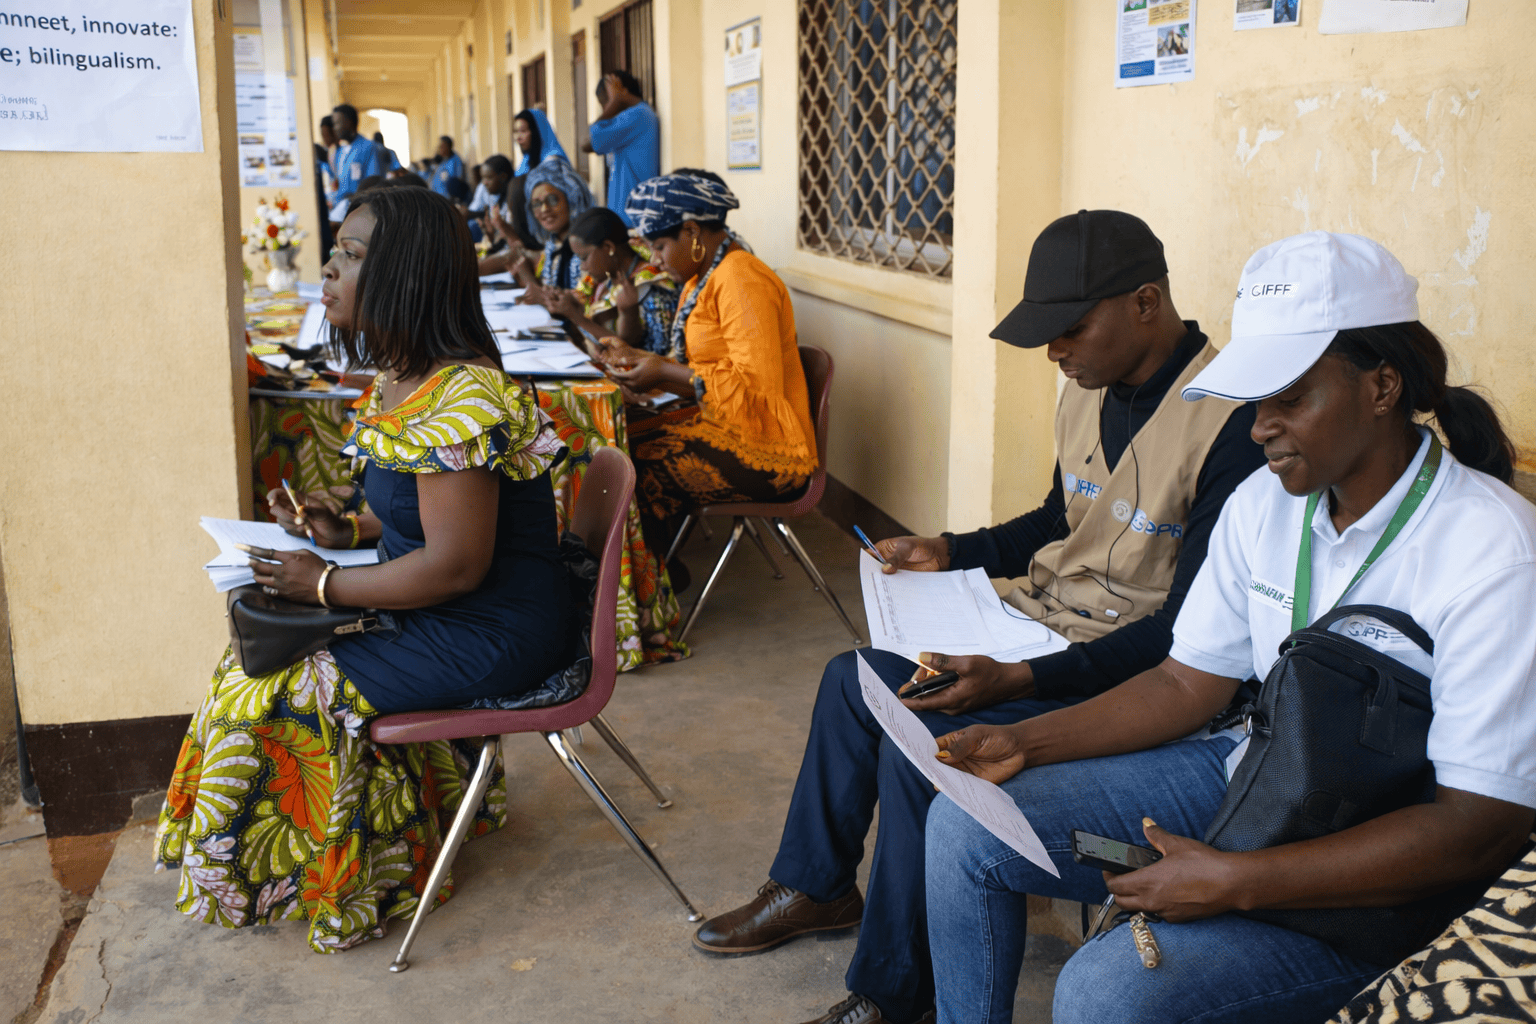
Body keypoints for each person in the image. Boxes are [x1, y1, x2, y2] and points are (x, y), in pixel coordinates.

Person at [922, 231, 1536, 1024]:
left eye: (1290, 400)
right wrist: (1028, 742)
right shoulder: (1267, 506)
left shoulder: (1494, 553)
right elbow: (1186, 682)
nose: (1259, 429)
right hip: (1255, 782)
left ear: (1382, 387)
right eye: (1255, 403)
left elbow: (1477, 827)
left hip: (1381, 881)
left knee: (1103, 991)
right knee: (966, 825)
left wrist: (1237, 879)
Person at [690, 210, 1266, 1024]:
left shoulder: (1235, 424)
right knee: (856, 681)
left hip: (1122, 668)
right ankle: (816, 887)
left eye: (1068, 329)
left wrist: (1024, 677)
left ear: (1145, 303)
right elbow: (1060, 519)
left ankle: (895, 994)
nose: (1055, 352)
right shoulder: (1087, 389)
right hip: (1030, 622)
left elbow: (1185, 634)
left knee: (922, 747)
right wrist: (951, 549)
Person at [153, 185, 573, 952]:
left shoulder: (462, 393)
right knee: (255, 657)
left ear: (404, 274)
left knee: (274, 686)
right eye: (336, 252)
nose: (330, 270)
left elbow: (452, 565)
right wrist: (343, 525)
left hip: (489, 625)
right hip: (450, 605)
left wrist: (321, 581)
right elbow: (416, 513)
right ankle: (372, 849)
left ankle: (351, 878)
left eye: (350, 255)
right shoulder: (404, 377)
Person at [604, 174, 817, 585]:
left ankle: (651, 592)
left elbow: (755, 389)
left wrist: (662, 371)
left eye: (660, 247)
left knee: (631, 469)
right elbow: (705, 372)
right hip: (726, 426)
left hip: (769, 450)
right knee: (617, 444)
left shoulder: (740, 278)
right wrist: (637, 363)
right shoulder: (703, 279)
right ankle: (654, 578)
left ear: (692, 232)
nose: (655, 261)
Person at [544, 206, 678, 356]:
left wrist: (575, 316)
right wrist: (572, 305)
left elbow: (650, 356)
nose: (583, 267)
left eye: (584, 258)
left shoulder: (653, 287)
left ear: (608, 247)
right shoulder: (604, 278)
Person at [510, 156, 594, 299]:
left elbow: (583, 303)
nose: (544, 209)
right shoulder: (553, 244)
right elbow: (550, 291)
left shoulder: (589, 244)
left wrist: (529, 280)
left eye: (552, 200)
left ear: (571, 200)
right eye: (536, 204)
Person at [589, 71, 660, 229]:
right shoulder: (632, 118)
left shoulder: (638, 115)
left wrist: (615, 101)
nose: (606, 109)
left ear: (623, 91)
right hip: (626, 217)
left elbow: (593, 139)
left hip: (634, 219)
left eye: (606, 101)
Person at [328, 104, 386, 224]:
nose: (334, 128)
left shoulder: (369, 147)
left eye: (337, 123)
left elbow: (374, 182)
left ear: (349, 123)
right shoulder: (340, 151)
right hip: (341, 209)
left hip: (361, 212)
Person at [513, 108, 568, 175]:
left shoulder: (553, 163)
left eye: (523, 131)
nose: (518, 137)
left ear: (538, 132)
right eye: (515, 131)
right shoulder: (526, 161)